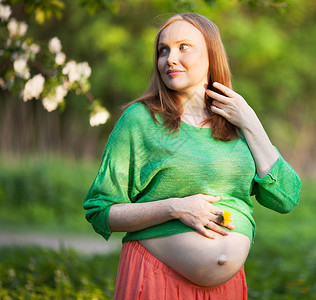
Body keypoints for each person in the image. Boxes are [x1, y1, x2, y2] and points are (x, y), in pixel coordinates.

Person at [83, 12, 301, 300]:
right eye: (163, 50)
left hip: (227, 290)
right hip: (156, 278)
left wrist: (251, 122)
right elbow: (100, 210)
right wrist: (174, 208)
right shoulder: (140, 120)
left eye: (183, 47)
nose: (170, 58)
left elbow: (287, 197)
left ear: (211, 55)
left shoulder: (238, 125)